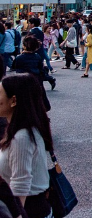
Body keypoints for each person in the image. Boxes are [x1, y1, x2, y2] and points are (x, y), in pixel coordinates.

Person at [0, 73, 55, 218]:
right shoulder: (20, 128)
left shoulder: (22, 137)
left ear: (13, 101)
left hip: (29, 209)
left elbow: (20, 185)